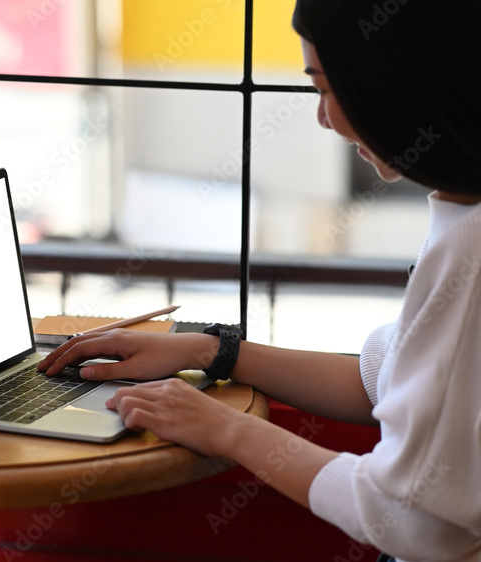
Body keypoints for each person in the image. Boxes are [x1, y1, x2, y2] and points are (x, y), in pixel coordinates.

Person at [38, 1, 481, 560]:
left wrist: (225, 428)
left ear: (394, 83)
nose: (324, 118)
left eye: (325, 87)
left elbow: (408, 519)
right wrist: (207, 349)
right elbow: (383, 380)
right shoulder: (460, 213)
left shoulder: (470, 250)